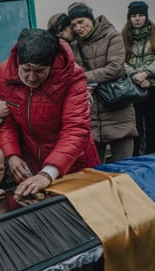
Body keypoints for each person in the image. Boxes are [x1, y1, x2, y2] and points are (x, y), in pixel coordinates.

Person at [0, 28, 99, 198]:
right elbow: (6, 120)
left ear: (52, 65)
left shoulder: (72, 77)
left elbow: (76, 129)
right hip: (32, 164)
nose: (31, 78)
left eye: (40, 71)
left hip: (72, 164)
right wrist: (12, 155)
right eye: (26, 69)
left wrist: (49, 172)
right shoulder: (5, 73)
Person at [68, 3, 137, 163]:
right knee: (95, 172)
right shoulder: (74, 46)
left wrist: (83, 77)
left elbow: (114, 68)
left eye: (81, 22)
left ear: (91, 20)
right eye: (74, 25)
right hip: (91, 113)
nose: (78, 27)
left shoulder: (111, 35)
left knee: (124, 167)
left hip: (116, 107)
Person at [121, 1, 155, 155]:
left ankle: (152, 156)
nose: (137, 19)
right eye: (133, 16)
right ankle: (135, 158)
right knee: (135, 126)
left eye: (140, 15)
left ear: (146, 17)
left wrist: (147, 73)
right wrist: (136, 76)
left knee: (152, 124)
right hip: (133, 88)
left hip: (152, 85)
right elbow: (119, 60)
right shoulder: (123, 36)